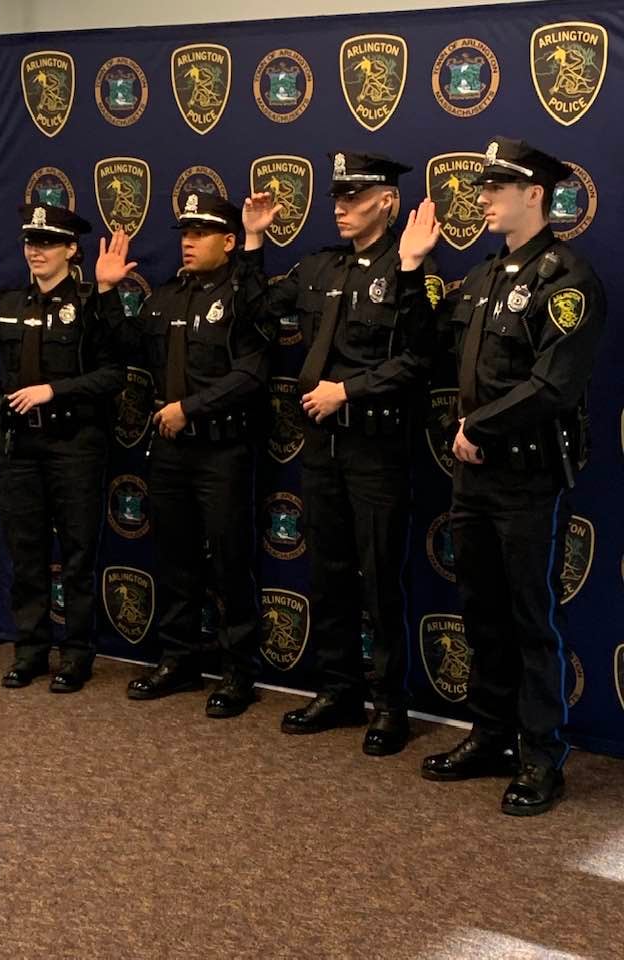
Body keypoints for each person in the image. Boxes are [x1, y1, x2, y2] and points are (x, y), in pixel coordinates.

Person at [413, 137, 606, 815]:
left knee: (530, 618)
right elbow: (434, 344)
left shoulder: (567, 279)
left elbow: (554, 384)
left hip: (526, 478)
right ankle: (491, 736)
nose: (484, 199)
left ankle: (541, 756)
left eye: (497, 188)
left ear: (535, 195)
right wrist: (415, 268)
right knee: (482, 613)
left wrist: (478, 428)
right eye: (484, 188)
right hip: (474, 480)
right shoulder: (485, 276)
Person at [240, 153, 440, 754]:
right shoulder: (317, 266)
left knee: (379, 579)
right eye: (337, 197)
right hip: (321, 445)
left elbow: (420, 360)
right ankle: (338, 691)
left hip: (376, 447)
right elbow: (254, 314)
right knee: (327, 575)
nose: (341, 207)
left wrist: (348, 390)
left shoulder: (410, 267)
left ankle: (391, 707)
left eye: (355, 196)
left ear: (388, 201)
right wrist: (253, 243)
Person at [0, 203, 136, 692]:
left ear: (71, 249)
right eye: (30, 242)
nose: (36, 251)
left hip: (75, 445)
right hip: (20, 447)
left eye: (47, 243)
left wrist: (55, 390)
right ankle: (29, 650)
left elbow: (116, 373)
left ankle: (77, 655)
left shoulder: (90, 304)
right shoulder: (9, 302)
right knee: (25, 551)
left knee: (77, 555)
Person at [124, 193, 272, 718]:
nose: (188, 242)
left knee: (231, 561)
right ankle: (178, 659)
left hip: (221, 450)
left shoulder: (242, 295)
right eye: (184, 233)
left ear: (228, 242)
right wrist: (107, 292)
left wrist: (190, 408)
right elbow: (126, 351)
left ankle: (239, 672)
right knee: (174, 558)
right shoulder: (165, 297)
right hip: (170, 449)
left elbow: (253, 371)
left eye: (200, 233)